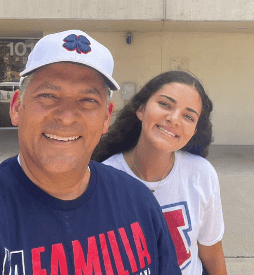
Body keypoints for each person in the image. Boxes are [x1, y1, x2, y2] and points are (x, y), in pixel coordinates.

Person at [0, 30, 181, 275]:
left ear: (106, 118)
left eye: (88, 100)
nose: (67, 117)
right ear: (16, 107)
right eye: (48, 95)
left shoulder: (137, 202)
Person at [92, 70, 227, 275]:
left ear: (194, 132)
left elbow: (212, 253)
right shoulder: (102, 178)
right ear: (141, 109)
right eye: (165, 104)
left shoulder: (201, 174)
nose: (174, 119)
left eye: (189, 116)